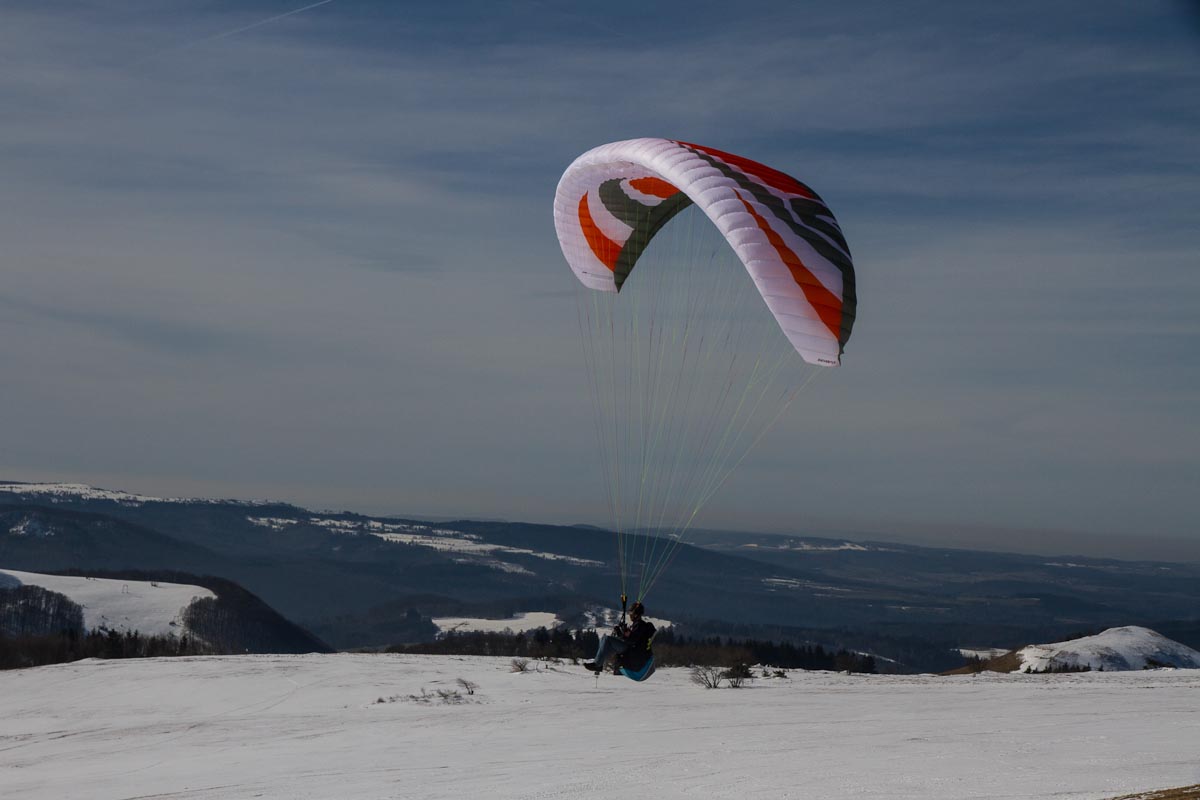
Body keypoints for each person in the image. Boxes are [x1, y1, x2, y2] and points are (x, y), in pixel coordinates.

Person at [584, 601, 655, 675]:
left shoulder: (640, 625)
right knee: (604, 640)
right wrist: (621, 632)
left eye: (631, 613)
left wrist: (621, 633)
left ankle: (598, 665)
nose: (630, 615)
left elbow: (631, 641)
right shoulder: (636, 625)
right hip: (630, 650)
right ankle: (601, 664)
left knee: (606, 639)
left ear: (636, 614)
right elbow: (630, 637)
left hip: (632, 652)